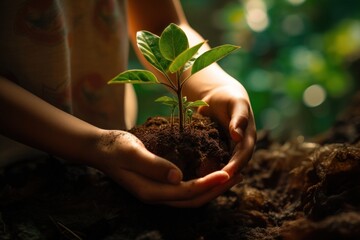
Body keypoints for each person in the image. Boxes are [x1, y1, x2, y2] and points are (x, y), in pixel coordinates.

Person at [0, 0, 256, 207]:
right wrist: (95, 145)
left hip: (114, 160)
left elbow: (161, 24)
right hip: (13, 176)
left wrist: (214, 87)